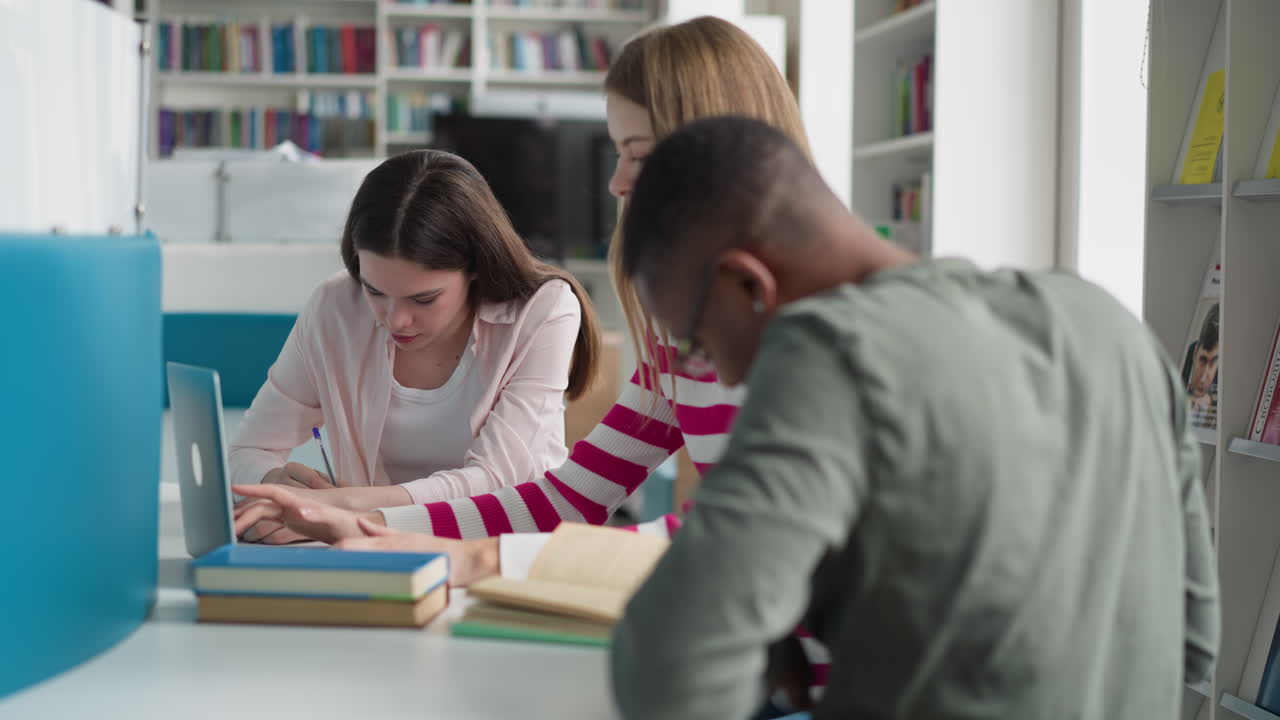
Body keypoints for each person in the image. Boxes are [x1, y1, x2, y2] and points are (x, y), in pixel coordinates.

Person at [607, 116, 1219, 719]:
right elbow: (1194, 642)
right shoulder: (1109, 326)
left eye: (700, 345)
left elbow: (668, 666)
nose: (728, 378)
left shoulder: (832, 350)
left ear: (748, 283)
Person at [233, 15, 806, 558]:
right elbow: (569, 500)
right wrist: (363, 524)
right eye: (617, 154)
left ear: (727, 151)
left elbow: (744, 536)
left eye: (637, 155)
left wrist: (446, 549)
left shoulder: (811, 333)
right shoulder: (678, 350)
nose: (615, 182)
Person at [230, 149, 602, 544]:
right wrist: (273, 486)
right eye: (375, 291)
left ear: (476, 267)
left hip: (506, 556)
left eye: (422, 299)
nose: (395, 320)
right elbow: (248, 450)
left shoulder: (543, 311)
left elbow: (495, 482)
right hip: (375, 554)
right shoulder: (336, 306)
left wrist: (347, 506)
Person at [1182, 302, 1220, 428]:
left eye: (1214, 362)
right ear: (1195, 353)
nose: (1203, 378)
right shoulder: (1185, 354)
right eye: (1202, 361)